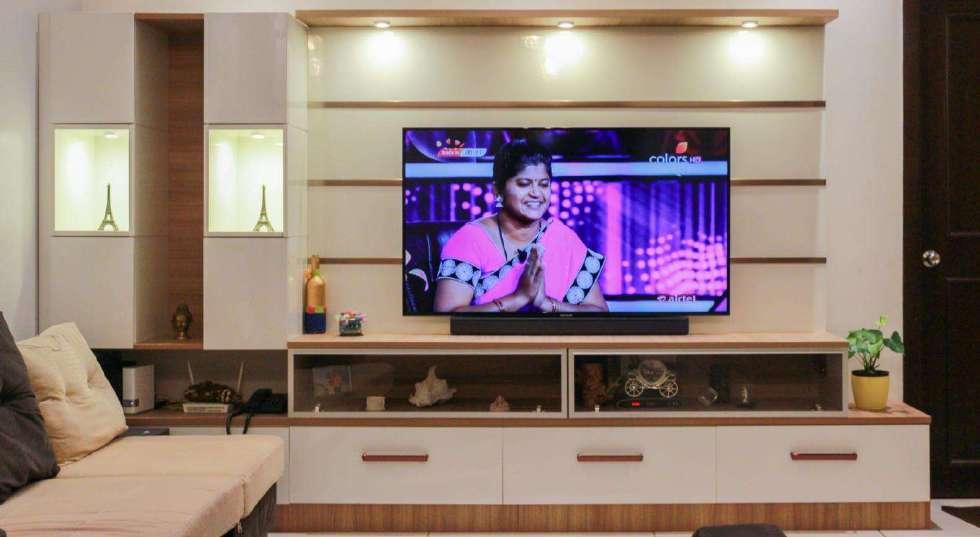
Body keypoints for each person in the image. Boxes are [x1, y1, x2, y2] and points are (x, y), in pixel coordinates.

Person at [434, 139, 608, 313]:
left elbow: (599, 312)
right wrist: (518, 298)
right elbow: (446, 316)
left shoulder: (563, 238)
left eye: (544, 184)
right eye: (524, 184)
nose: (536, 193)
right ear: (498, 190)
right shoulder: (470, 239)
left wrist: (546, 304)